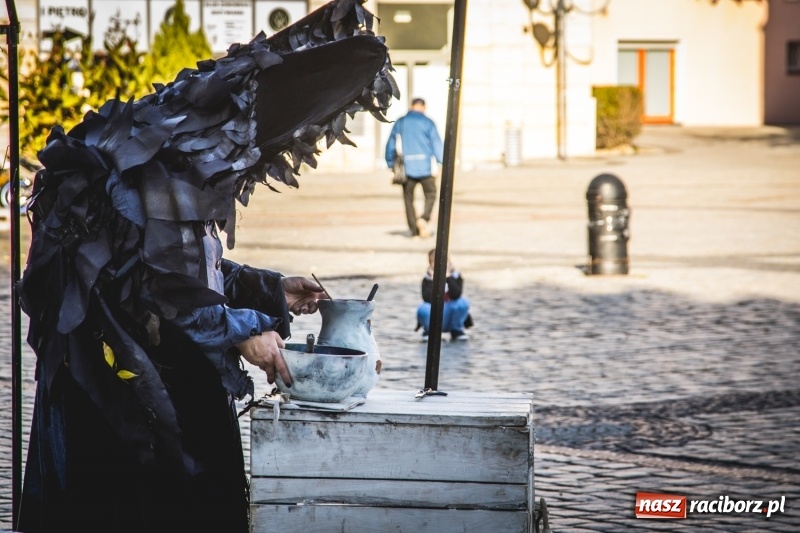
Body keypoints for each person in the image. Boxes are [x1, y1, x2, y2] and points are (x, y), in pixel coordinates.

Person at [15, 0, 396, 531]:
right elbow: (170, 300)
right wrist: (248, 336)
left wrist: (271, 289)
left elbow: (194, 270)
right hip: (128, 408)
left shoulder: (181, 164)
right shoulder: (167, 171)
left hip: (143, 387)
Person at [384, 98, 444, 238]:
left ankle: (413, 229)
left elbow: (391, 143)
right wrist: (442, 162)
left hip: (407, 168)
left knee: (408, 198)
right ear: (424, 107)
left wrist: (390, 163)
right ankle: (424, 218)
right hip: (426, 167)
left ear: (411, 106)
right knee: (431, 194)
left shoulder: (401, 122)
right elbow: (436, 143)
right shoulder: (428, 122)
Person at [417, 249, 473, 342]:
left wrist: (448, 277)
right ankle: (429, 330)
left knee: (463, 302)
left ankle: (456, 330)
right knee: (423, 308)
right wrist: (432, 279)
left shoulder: (456, 276)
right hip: (435, 313)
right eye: (435, 263)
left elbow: (456, 294)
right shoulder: (427, 279)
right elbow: (427, 298)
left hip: (451, 312)